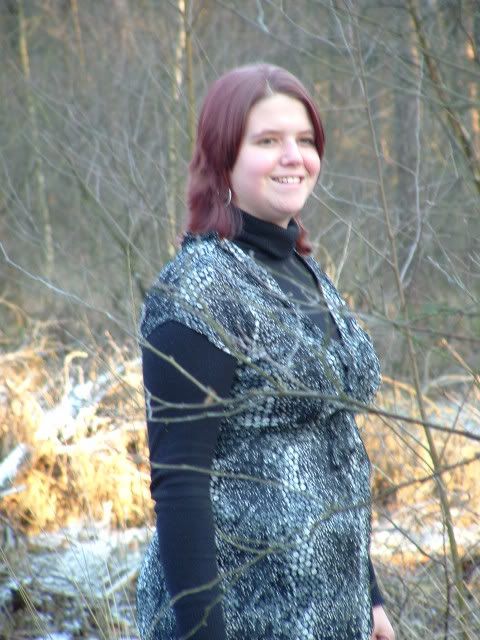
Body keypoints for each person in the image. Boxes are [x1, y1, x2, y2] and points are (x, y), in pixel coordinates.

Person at [136, 64, 395, 640]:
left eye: (305, 140)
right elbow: (180, 485)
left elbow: (331, 440)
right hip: (242, 618)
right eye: (268, 141)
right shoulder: (199, 292)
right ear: (223, 157)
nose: (293, 157)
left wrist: (369, 597)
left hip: (333, 611)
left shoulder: (305, 272)